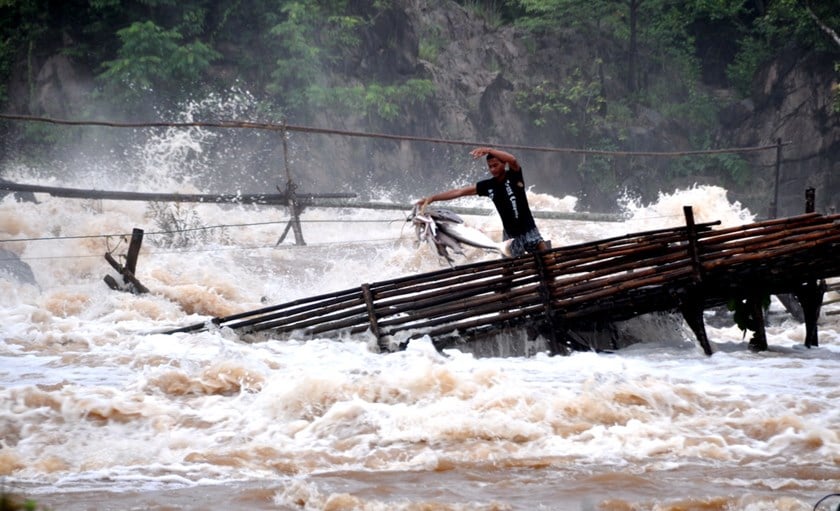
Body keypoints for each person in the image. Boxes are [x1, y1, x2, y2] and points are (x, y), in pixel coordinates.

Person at [415, 146, 548, 257]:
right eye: (490, 167)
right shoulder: (488, 186)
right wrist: (432, 198)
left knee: (546, 259)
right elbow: (460, 192)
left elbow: (512, 159)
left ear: (504, 164)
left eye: (496, 165)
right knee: (508, 269)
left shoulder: (514, 176)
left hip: (528, 229)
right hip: (510, 234)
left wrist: (489, 150)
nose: (493, 170)